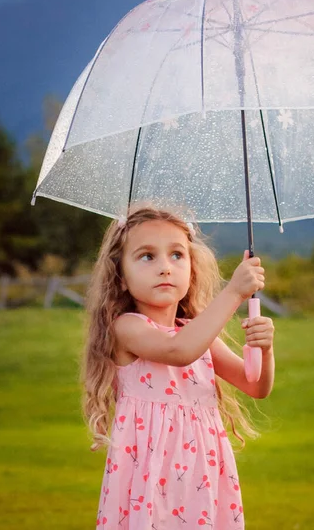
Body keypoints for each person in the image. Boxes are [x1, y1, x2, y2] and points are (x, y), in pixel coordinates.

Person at [81, 204, 275, 529]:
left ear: (192, 269)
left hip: (201, 471)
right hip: (152, 474)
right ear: (122, 278)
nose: (165, 268)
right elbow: (179, 351)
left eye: (176, 255)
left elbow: (255, 385)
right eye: (147, 256)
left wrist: (264, 350)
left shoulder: (196, 332)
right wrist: (233, 293)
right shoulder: (127, 328)